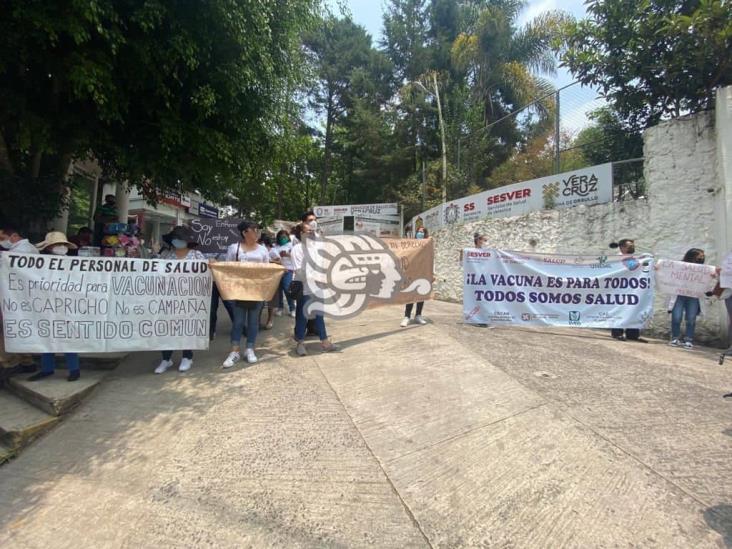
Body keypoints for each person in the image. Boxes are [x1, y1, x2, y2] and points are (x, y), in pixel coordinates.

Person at [27, 232, 81, 382]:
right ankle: (47, 369)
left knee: (67, 337)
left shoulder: (74, 263)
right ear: (49, 247)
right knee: (46, 337)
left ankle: (74, 369)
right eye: (58, 245)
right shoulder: (40, 263)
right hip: (46, 305)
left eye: (63, 245)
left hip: (67, 305)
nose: (61, 247)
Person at [154, 226, 206, 374]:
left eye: (180, 239)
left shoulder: (197, 255)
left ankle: (187, 357)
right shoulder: (167, 256)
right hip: (169, 299)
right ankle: (166, 359)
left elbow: (205, 274)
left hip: (190, 299)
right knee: (167, 328)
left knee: (186, 327)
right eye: (175, 239)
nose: (177, 241)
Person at [222, 221, 270, 367]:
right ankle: (235, 350)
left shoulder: (262, 250)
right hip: (239, 290)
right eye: (254, 230)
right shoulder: (234, 248)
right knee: (238, 321)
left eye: (257, 230)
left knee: (253, 321)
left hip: (257, 290)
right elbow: (227, 267)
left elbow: (267, 270)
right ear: (244, 232)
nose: (257, 233)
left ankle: (250, 348)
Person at [290, 217, 338, 356]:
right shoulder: (297, 250)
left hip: (318, 287)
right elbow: (299, 270)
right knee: (302, 315)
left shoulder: (318, 248)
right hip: (305, 288)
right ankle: (300, 342)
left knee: (319, 315)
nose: (311, 233)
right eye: (308, 231)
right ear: (301, 234)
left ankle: (324, 342)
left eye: (312, 231)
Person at [667, 248, 707, 350]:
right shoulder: (680, 266)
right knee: (676, 317)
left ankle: (688, 339)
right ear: (691, 256)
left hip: (693, 296)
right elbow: (668, 272)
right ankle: (675, 337)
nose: (701, 258)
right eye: (699, 256)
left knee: (691, 319)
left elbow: (708, 278)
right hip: (679, 294)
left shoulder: (704, 269)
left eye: (702, 256)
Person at [609, 239, 642, 341]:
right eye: (629, 246)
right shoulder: (618, 258)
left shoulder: (633, 258)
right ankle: (617, 333)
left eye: (632, 245)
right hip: (619, 288)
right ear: (622, 247)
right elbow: (632, 267)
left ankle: (632, 334)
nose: (632, 247)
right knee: (619, 309)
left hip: (631, 288)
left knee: (633, 309)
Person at [400, 227, 429, 328]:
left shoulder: (427, 245)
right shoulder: (410, 244)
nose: (419, 233)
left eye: (422, 232)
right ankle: (407, 317)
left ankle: (418, 315)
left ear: (425, 234)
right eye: (418, 232)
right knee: (411, 295)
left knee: (421, 294)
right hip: (412, 272)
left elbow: (430, 258)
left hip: (423, 272)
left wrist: (432, 273)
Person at [272, 229, 296, 318]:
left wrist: (288, 255)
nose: (283, 238)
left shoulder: (291, 246)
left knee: (287, 288)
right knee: (278, 290)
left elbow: (296, 258)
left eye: (284, 237)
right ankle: (280, 308)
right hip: (276, 270)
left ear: (287, 237)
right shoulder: (275, 246)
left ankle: (292, 308)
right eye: (281, 237)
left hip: (288, 270)